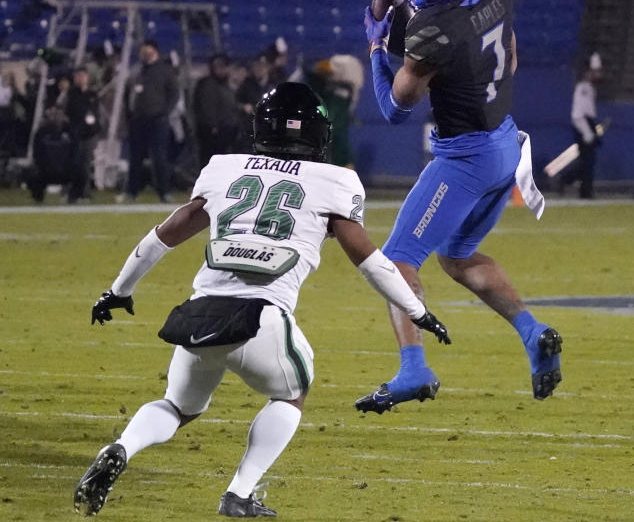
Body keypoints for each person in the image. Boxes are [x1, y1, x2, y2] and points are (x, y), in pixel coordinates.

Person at [73, 82, 451, 518]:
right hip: (263, 318)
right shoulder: (335, 181)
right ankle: (239, 493)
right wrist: (418, 311)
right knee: (292, 395)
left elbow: (163, 235)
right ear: (315, 132)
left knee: (176, 406)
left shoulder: (224, 168)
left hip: (200, 312)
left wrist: (118, 290)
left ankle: (122, 446)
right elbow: (371, 262)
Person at [357, 0, 559, 414]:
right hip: (506, 144)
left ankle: (413, 368)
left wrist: (378, 48)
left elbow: (394, 107)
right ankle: (533, 334)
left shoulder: (434, 29)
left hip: (466, 157)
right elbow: (508, 61)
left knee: (396, 261)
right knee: (458, 257)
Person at [119, 39, 180, 203]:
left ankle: (164, 192)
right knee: (135, 157)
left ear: (154, 51)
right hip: (138, 120)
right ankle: (131, 192)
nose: (143, 54)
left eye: (146, 50)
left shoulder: (165, 71)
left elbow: (174, 93)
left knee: (159, 157)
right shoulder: (137, 71)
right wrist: (129, 114)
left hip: (157, 120)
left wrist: (164, 112)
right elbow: (128, 94)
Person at [562, 53, 602, 199]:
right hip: (583, 127)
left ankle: (568, 180)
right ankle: (585, 191)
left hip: (588, 125)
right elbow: (577, 115)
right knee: (588, 161)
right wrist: (587, 132)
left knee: (587, 161)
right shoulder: (583, 88)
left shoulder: (590, 88)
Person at [61, 67, 101, 203]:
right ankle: (73, 193)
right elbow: (65, 113)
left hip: (89, 134)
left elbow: (96, 113)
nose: (81, 78)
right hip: (75, 133)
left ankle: (84, 193)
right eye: (78, 76)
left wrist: (95, 128)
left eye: (83, 75)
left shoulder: (92, 94)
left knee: (86, 165)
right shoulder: (71, 94)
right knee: (75, 164)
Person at [193, 53, 238, 166]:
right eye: (217, 67)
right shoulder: (208, 84)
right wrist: (212, 127)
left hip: (226, 131)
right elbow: (206, 108)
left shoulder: (225, 85)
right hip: (213, 133)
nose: (220, 70)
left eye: (223, 66)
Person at [235, 55, 275, 152]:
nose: (259, 69)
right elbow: (235, 102)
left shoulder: (273, 85)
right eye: (256, 67)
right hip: (249, 129)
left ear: (267, 68)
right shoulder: (246, 85)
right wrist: (243, 106)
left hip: (268, 130)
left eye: (262, 67)